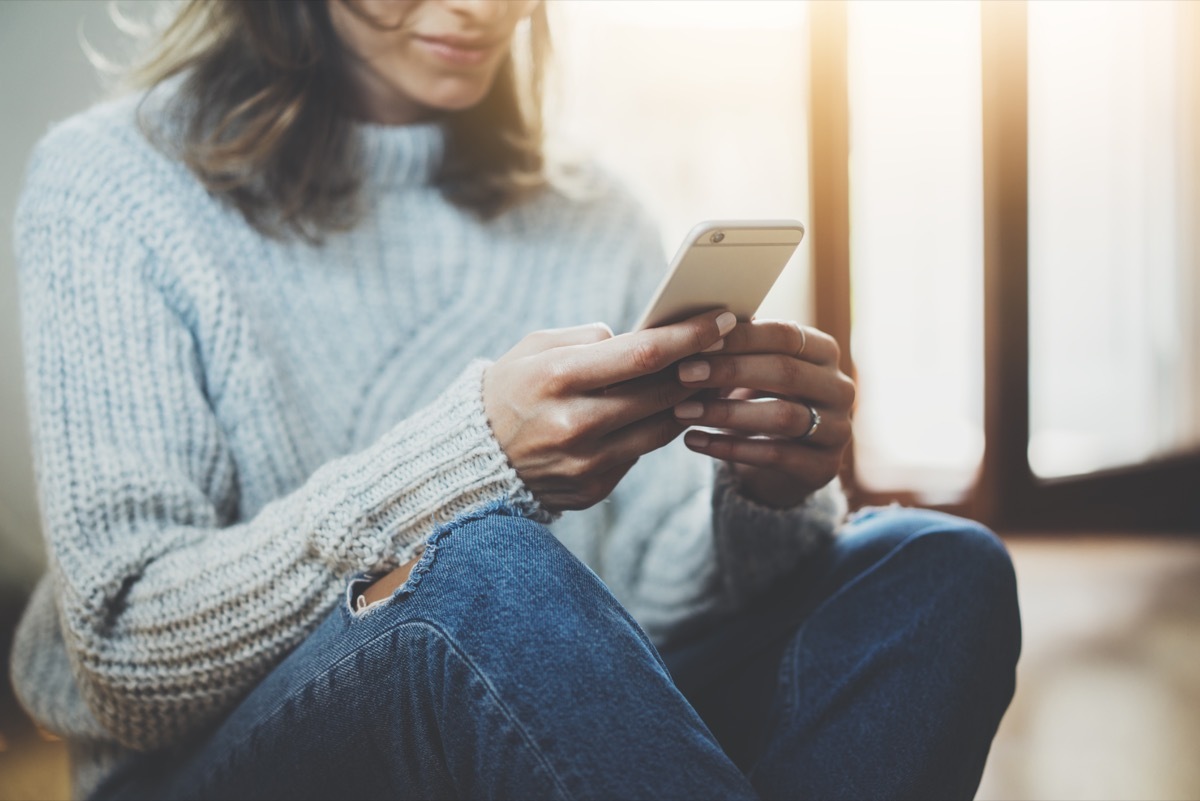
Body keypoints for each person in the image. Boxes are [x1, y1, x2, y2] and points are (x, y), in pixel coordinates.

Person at [9, 1, 1020, 799]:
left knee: (939, 564)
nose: (478, 10)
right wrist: (469, 460)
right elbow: (121, 653)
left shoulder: (591, 215)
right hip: (207, 768)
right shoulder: (112, 184)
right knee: (484, 567)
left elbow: (654, 592)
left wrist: (762, 489)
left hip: (547, 722)